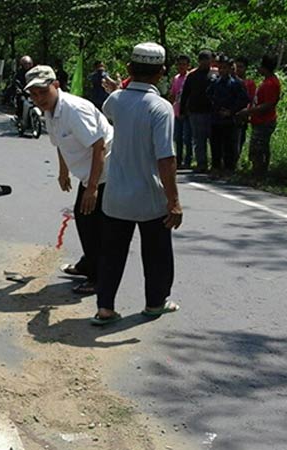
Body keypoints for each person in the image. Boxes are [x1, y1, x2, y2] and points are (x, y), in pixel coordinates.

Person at [93, 42, 183, 325]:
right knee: (157, 253)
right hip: (149, 197)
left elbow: (114, 106)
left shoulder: (115, 100)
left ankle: (105, 308)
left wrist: (121, 87)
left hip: (116, 195)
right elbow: (165, 158)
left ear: (130, 69)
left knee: (111, 254)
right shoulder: (161, 108)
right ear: (162, 73)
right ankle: (155, 303)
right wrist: (175, 201)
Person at [26, 65, 112, 295]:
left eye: (43, 92)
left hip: (107, 171)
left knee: (91, 223)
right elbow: (60, 143)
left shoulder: (74, 110)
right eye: (33, 94)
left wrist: (92, 188)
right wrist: (63, 172)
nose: (38, 99)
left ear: (56, 85)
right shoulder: (50, 110)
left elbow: (99, 146)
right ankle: (88, 263)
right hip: (89, 172)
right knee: (84, 219)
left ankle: (97, 278)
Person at [237, 55, 281, 177]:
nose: (259, 69)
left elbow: (268, 104)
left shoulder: (271, 83)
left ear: (265, 68)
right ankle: (256, 172)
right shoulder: (266, 81)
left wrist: (248, 112)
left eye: (261, 66)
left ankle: (260, 174)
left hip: (265, 121)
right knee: (256, 148)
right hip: (259, 120)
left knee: (259, 149)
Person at [206, 54, 249, 175]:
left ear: (230, 68)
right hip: (216, 118)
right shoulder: (215, 82)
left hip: (230, 120)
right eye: (220, 68)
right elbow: (209, 94)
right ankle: (216, 167)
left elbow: (244, 100)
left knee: (229, 145)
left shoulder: (237, 83)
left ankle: (229, 168)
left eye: (225, 68)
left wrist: (231, 111)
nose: (222, 70)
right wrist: (216, 107)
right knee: (215, 144)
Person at [180, 50, 216, 173]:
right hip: (196, 112)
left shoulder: (214, 74)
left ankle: (215, 163)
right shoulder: (192, 75)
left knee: (213, 138)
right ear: (199, 61)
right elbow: (185, 94)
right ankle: (201, 163)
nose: (206, 63)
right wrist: (182, 110)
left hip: (212, 111)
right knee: (198, 139)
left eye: (209, 60)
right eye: (204, 60)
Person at [169, 55, 193, 169]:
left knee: (187, 137)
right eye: (179, 64)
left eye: (184, 64)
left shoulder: (190, 77)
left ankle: (188, 160)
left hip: (187, 112)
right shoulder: (176, 78)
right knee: (177, 138)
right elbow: (173, 95)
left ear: (188, 65)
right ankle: (178, 160)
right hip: (176, 111)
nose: (181, 66)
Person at [234, 56, 256, 158]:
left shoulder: (249, 83)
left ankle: (235, 161)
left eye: (241, 67)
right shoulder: (231, 81)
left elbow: (251, 100)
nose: (238, 69)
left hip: (242, 116)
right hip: (229, 116)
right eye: (236, 66)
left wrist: (247, 113)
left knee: (239, 139)